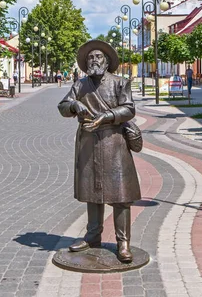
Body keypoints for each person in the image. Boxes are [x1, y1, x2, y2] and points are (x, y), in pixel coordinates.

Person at [58, 40, 140, 263]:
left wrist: (106, 116)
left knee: (120, 194)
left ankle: (123, 243)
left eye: (98, 57)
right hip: (88, 143)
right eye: (90, 58)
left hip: (114, 142)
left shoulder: (120, 83)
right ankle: (93, 236)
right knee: (92, 192)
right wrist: (74, 105)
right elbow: (62, 107)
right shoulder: (80, 85)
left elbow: (129, 108)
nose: (94, 60)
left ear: (107, 61)